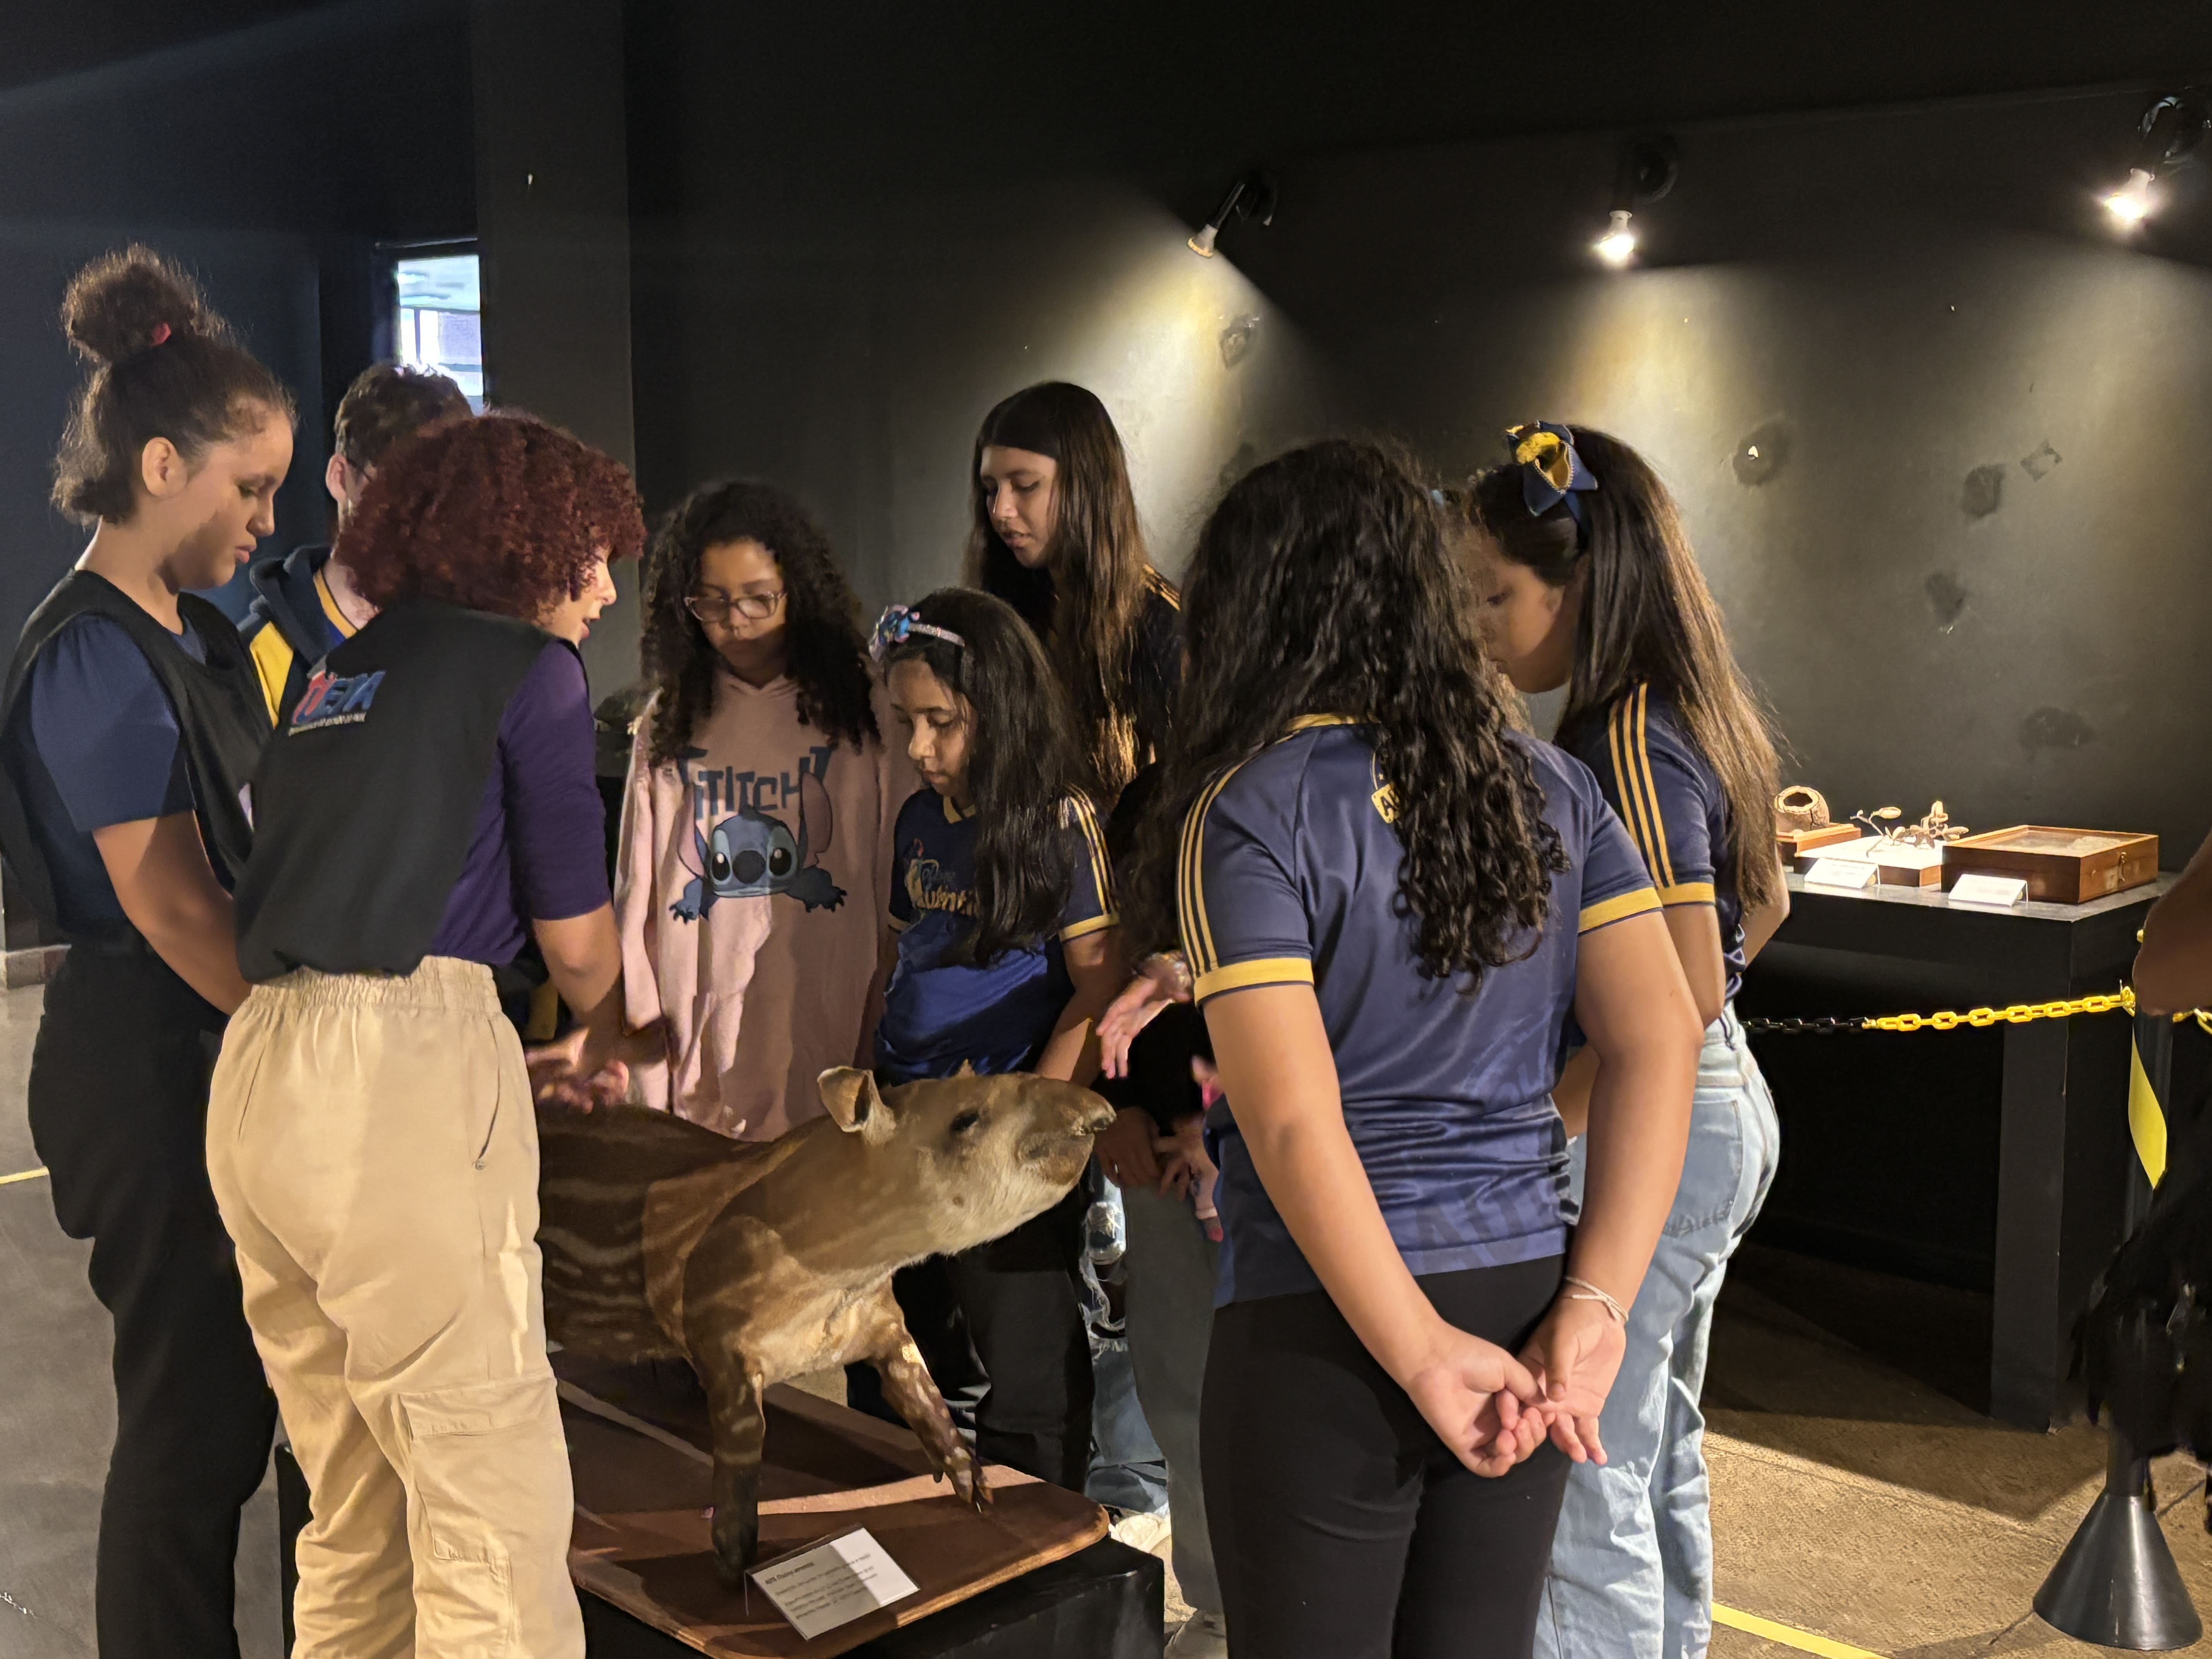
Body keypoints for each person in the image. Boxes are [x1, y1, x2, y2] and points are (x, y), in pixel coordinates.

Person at [1125, 439, 1703, 1659]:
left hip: (1323, 1318)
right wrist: (1596, 1303)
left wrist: (1419, 1349)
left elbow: (1291, 1121)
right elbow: (1661, 1037)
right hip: (1522, 1285)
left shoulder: (1249, 808)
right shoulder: (1550, 787)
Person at [203, 412, 646, 1658]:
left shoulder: (342, 669)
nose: (606, 591)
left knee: (356, 1511)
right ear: (527, 544)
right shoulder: (530, 672)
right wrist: (624, 1032)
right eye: (591, 556)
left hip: (262, 1073)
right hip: (402, 1070)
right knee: (488, 1510)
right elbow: (576, 944)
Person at [0, 246, 292, 1657]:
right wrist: (317, 1041)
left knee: (233, 1421)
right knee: (192, 1435)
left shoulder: (197, 632)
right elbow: (172, 902)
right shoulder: (92, 653)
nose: (267, 520)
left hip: (207, 1056)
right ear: (162, 466)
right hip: (145, 1074)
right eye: (251, 488)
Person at [1461, 422, 1788, 1659]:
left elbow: (1682, 986)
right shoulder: (1690, 709)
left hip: (1654, 1119)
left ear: (1580, 583)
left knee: (1582, 1466)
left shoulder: (1623, 735)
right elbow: (1767, 903)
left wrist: (1557, 1115)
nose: (1481, 626)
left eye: (1496, 594)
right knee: (1653, 1439)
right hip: (1712, 1104)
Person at [871, 587, 1125, 1489]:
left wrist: (1034, 1128)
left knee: (1027, 1364)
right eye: (906, 722)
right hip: (906, 1120)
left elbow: (1098, 985)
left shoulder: (1059, 823)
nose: (919, 748)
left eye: (942, 723)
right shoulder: (916, 821)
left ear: (1003, 709)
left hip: (1001, 1140)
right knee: (903, 1351)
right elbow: (896, 961)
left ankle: (1040, 1541)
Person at [615, 478, 912, 1138]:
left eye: (759, 598)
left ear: (797, 590)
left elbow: (899, 886)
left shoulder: (865, 710)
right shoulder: (671, 721)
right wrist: (648, 1085)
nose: (736, 621)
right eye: (712, 602)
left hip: (835, 1048)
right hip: (703, 1073)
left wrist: (882, 1044)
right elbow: (637, 909)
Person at [966, 380, 1179, 802]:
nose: (1001, 511)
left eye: (1025, 485)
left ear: (1087, 486)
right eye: (991, 490)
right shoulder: (1009, 607)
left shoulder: (1161, 622)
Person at [240, 362, 470, 725]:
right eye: (399, 493)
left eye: (442, 500)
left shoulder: (466, 640)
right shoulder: (261, 656)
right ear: (339, 478)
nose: (421, 521)